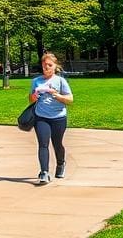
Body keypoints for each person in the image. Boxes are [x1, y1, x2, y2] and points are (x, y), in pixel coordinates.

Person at [29, 52, 73, 184]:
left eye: (49, 65)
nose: (46, 68)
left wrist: (56, 95)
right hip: (41, 116)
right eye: (44, 65)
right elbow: (30, 99)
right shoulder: (36, 81)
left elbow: (70, 99)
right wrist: (34, 96)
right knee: (43, 144)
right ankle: (44, 172)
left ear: (55, 67)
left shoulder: (60, 81)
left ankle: (60, 164)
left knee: (57, 144)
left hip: (58, 117)